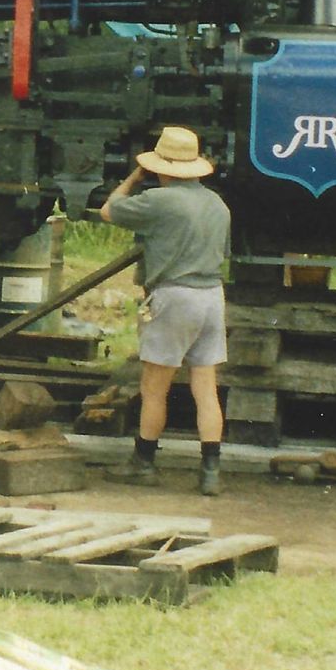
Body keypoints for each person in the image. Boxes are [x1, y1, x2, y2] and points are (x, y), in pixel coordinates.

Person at [97, 125, 231, 495]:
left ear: (161, 166)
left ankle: (144, 463)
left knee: (154, 387)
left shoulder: (160, 200)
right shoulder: (217, 205)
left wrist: (134, 177)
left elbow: (109, 210)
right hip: (212, 297)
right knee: (206, 388)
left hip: (174, 296)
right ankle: (210, 473)